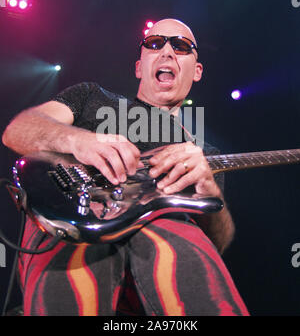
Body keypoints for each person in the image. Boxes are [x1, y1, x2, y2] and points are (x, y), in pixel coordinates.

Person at [2, 18, 249, 316]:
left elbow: (217, 244)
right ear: (139, 66)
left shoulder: (203, 154)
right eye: (155, 43)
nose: (168, 51)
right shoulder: (91, 96)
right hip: (77, 219)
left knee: (178, 237)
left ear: (197, 71)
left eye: (181, 46)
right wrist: (78, 141)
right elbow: (18, 130)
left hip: (165, 243)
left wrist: (209, 189)